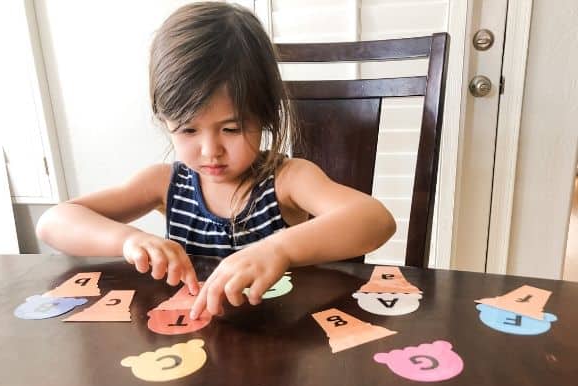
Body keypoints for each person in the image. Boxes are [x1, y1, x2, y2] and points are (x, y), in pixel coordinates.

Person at [36, 1, 396, 320]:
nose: (210, 151)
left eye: (231, 128)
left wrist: (279, 250)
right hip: (189, 341)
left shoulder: (287, 180)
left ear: (264, 116)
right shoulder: (164, 184)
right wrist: (128, 240)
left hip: (277, 339)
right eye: (188, 131)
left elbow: (375, 220)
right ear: (165, 123)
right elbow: (53, 222)